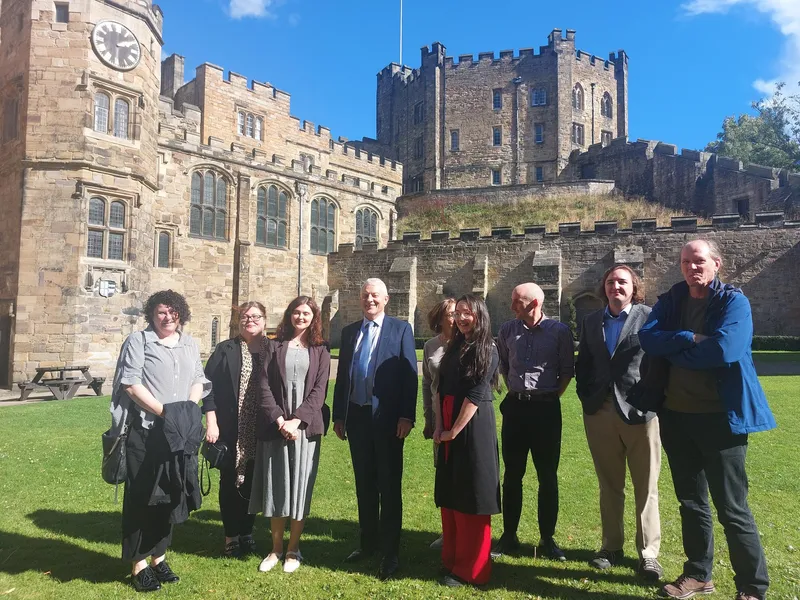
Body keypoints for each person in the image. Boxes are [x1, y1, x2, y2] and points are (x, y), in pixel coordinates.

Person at [638, 239, 775, 600]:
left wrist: (675, 351)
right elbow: (648, 338)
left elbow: (725, 350)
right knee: (690, 502)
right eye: (685, 262)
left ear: (717, 263)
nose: (691, 267)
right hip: (676, 417)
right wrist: (688, 337)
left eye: (698, 261)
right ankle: (698, 574)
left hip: (720, 421)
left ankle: (752, 587)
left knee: (732, 507)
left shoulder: (734, 302)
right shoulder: (672, 300)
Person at [109, 290, 209, 593]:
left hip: (178, 434)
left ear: (181, 314)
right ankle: (138, 564)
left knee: (170, 495)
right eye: (161, 312)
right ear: (152, 314)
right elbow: (130, 383)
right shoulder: (139, 341)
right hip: (146, 432)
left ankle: (159, 558)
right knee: (142, 497)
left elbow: (198, 379)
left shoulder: (189, 343)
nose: (167, 317)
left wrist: (187, 411)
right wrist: (166, 412)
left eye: (172, 312)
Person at [575, 265, 663, 580]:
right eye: (611, 281)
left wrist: (652, 399)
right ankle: (611, 547)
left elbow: (659, 361)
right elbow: (584, 362)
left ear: (633, 287)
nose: (616, 286)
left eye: (622, 282)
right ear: (604, 287)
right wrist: (586, 396)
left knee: (646, 486)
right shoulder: (590, 321)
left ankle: (648, 554)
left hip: (640, 412)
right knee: (609, 484)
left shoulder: (649, 316)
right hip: (600, 411)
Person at [332, 278, 418, 580]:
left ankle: (390, 552)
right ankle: (368, 543)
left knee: (389, 486)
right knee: (365, 485)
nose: (370, 300)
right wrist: (339, 416)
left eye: (375, 296)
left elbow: (410, 376)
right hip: (356, 418)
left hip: (389, 421)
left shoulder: (401, 329)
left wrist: (407, 416)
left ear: (386, 299)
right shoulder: (349, 332)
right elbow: (343, 378)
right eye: (365, 295)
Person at [492, 282, 574, 561]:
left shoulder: (559, 332)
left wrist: (548, 396)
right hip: (515, 409)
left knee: (547, 476)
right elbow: (504, 364)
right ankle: (509, 535)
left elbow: (566, 371)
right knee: (512, 474)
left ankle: (547, 538)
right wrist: (518, 391)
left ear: (535, 303)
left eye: (518, 301)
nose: (512, 306)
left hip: (546, 410)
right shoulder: (507, 330)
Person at [250, 296, 331, 574]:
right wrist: (280, 420)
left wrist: (296, 421)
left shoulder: (320, 349)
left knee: (299, 487)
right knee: (277, 486)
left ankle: (293, 549)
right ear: (289, 315)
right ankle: (275, 549)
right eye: (296, 312)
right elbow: (263, 386)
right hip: (277, 426)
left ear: (314, 317)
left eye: (306, 313)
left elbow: (319, 390)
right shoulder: (273, 346)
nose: (301, 317)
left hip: (305, 429)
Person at [434, 294, 500, 588]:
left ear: (479, 316)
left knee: (471, 492)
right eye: (457, 313)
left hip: (472, 425)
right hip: (449, 419)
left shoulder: (487, 348)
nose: (460, 318)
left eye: (467, 313)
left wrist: (454, 431)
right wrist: (440, 426)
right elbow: (440, 388)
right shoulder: (455, 346)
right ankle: (452, 558)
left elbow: (475, 395)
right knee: (451, 490)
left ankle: (471, 570)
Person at [203, 301, 269, 558]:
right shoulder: (225, 349)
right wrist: (211, 421)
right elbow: (207, 386)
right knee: (230, 482)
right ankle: (231, 535)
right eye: (245, 316)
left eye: (255, 316)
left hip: (261, 428)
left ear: (264, 320)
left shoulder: (272, 350)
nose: (250, 320)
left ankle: (247, 531)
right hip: (230, 428)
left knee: (253, 481)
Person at [422, 297, 456, 550]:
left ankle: (464, 529)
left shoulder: (469, 343)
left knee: (463, 473)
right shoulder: (430, 346)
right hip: (439, 418)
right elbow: (427, 383)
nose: (456, 318)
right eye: (451, 314)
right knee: (443, 474)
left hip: (462, 416)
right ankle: (448, 531)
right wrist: (428, 418)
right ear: (441, 318)